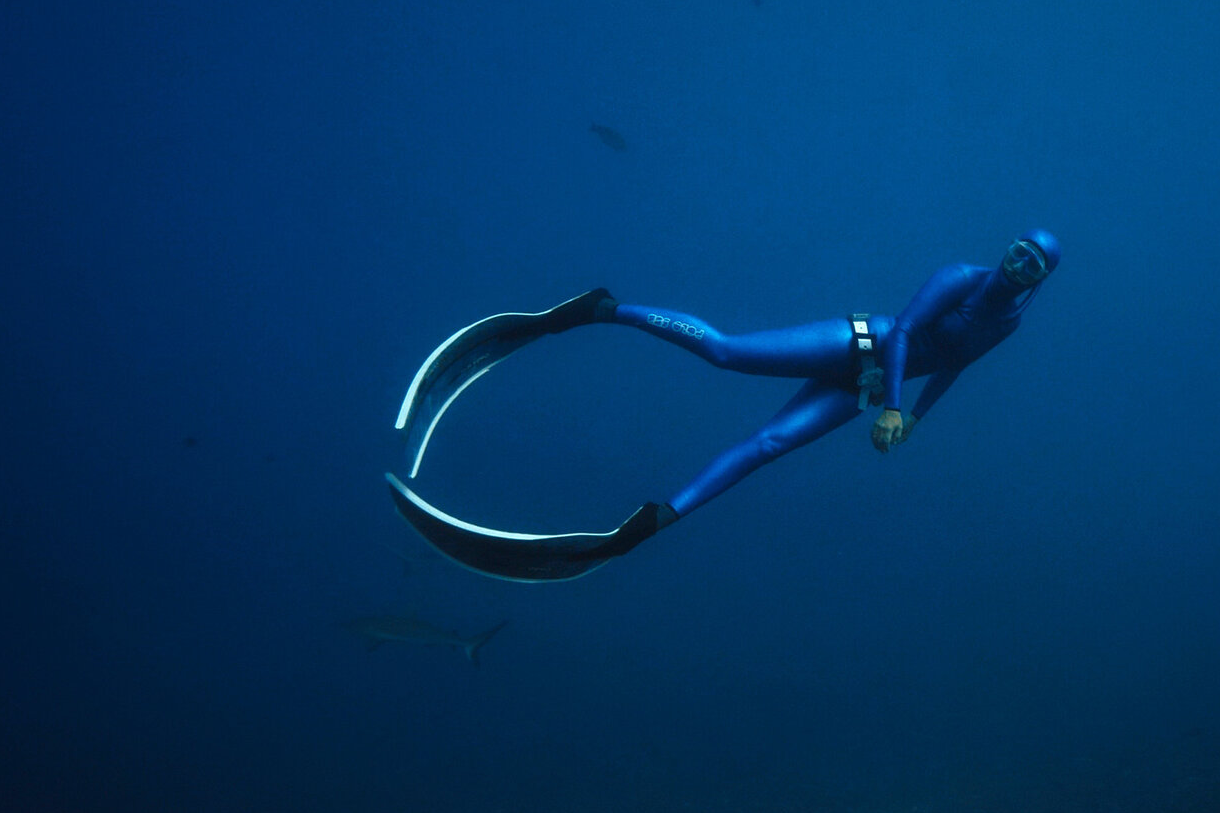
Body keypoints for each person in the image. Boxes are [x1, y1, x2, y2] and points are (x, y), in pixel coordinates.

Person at [386, 230, 1061, 581]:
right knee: (726, 351)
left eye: (1033, 263)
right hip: (864, 343)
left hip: (869, 389)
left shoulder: (1010, 323)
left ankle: (650, 523)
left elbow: (956, 365)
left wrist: (913, 415)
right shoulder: (960, 277)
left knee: (766, 448)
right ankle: (601, 308)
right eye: (1017, 250)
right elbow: (909, 331)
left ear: (1040, 279)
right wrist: (892, 404)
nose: (1018, 264)